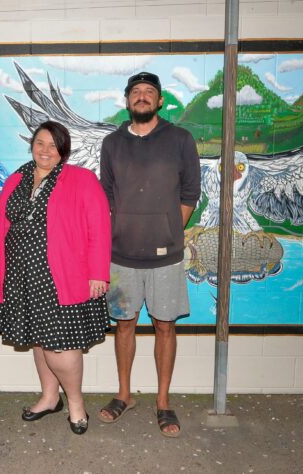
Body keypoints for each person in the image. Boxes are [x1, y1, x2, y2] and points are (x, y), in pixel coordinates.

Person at [0, 121, 111, 435]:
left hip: (62, 276)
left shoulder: (82, 179)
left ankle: (75, 404)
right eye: (40, 143)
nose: (45, 150)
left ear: (63, 150)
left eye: (53, 145)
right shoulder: (15, 179)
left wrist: (98, 273)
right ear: (32, 145)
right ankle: (48, 397)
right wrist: (1, 276)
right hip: (21, 274)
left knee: (60, 346)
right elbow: (1, 227)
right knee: (39, 339)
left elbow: (99, 228)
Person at [98, 72, 201, 438]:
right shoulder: (111, 143)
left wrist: (168, 227)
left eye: (149, 92)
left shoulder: (180, 139)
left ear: (160, 102)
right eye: (136, 92)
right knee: (123, 325)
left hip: (166, 257)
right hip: (121, 255)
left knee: (165, 326)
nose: (142, 97)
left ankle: (162, 402)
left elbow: (190, 192)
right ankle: (124, 395)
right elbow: (106, 195)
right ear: (127, 101)